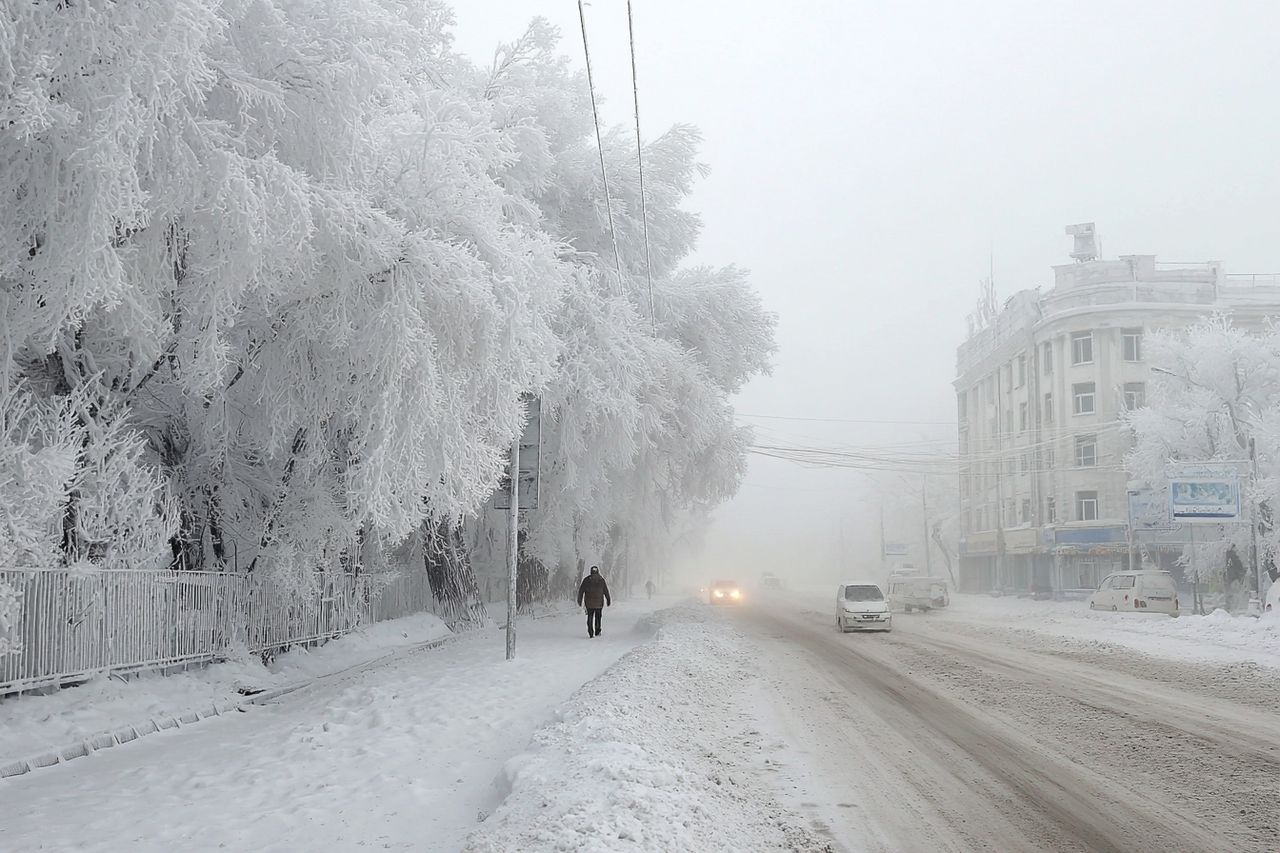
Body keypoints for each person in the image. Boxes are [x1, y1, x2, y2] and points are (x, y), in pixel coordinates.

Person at [577, 566, 611, 638]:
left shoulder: (586, 580)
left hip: (589, 603)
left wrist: (579, 600)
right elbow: (606, 590)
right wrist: (608, 599)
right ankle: (597, 631)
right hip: (599, 603)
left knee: (590, 617)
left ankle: (590, 632)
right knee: (598, 617)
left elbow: (581, 591)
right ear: (598, 571)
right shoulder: (601, 580)